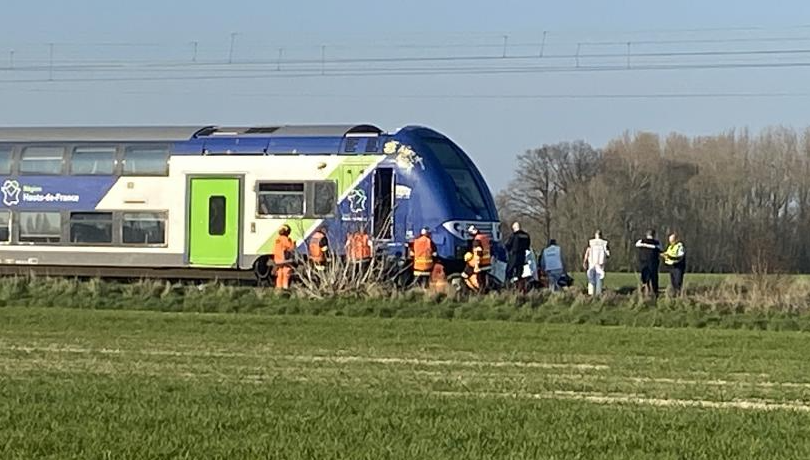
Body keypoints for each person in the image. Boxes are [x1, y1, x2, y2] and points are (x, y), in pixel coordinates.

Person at [635, 229, 662, 296]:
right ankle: (655, 292)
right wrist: (652, 247)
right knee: (654, 277)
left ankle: (644, 291)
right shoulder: (657, 243)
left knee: (644, 277)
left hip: (643, 262)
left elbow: (637, 244)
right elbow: (660, 249)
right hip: (653, 262)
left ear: (647, 235)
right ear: (654, 235)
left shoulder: (641, 241)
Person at [582, 230, 609, 296]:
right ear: (601, 235)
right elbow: (608, 254)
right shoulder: (604, 243)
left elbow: (588, 251)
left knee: (591, 278)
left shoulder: (591, 242)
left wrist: (584, 261)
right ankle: (598, 294)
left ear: (595, 235)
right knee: (599, 278)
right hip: (600, 263)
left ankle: (590, 293)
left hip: (592, 262)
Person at [504, 222, 531, 288]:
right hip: (522, 256)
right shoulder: (526, 235)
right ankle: (520, 287)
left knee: (509, 271)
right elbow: (528, 246)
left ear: (514, 228)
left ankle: (507, 286)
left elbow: (507, 245)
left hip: (514, 256)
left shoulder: (514, 235)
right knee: (519, 273)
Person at [468, 225, 491, 291]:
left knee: (479, 279)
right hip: (487, 262)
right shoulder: (485, 238)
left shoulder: (476, 241)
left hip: (481, 263)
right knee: (484, 278)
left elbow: (478, 253)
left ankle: (481, 292)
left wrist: (476, 265)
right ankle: (485, 290)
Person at [273, 224, 296, 290]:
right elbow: (291, 248)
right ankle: (285, 287)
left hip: (277, 260)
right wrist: (293, 243)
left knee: (279, 273)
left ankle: (278, 287)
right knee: (286, 273)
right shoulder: (285, 239)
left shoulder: (277, 239)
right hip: (284, 260)